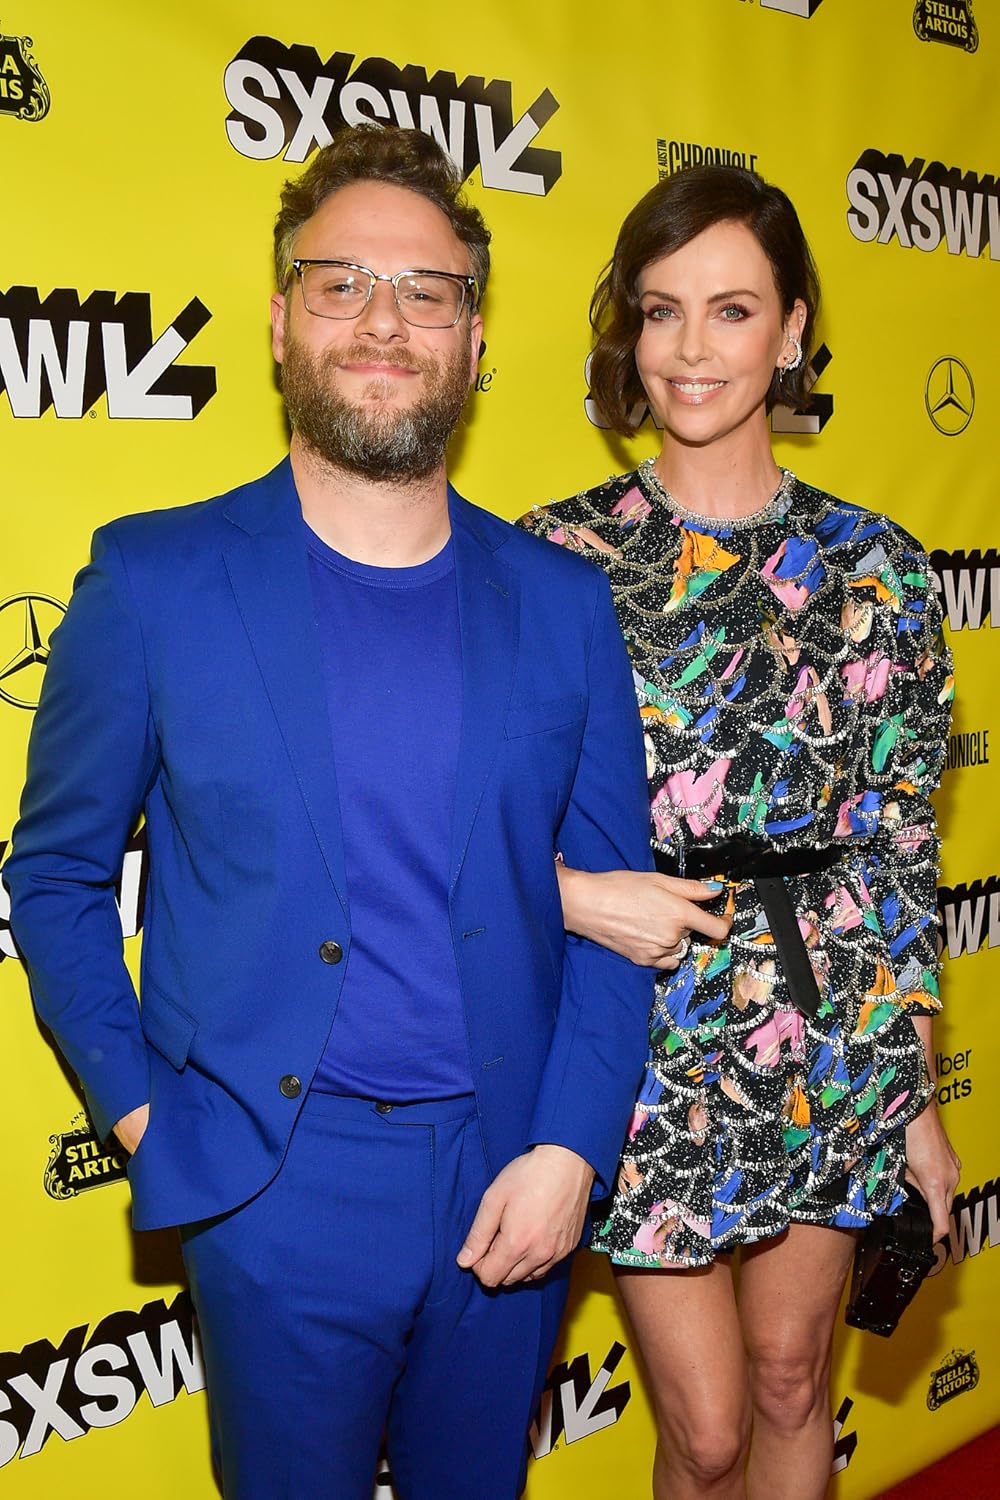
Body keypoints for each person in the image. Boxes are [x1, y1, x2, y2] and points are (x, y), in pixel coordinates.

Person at [4, 124, 655, 1500]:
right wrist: (148, 1121)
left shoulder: (563, 607)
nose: (383, 321)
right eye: (340, 281)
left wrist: (569, 1151)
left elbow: (620, 912)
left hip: (510, 1172)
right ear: (278, 322)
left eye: (426, 290)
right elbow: (55, 877)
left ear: (474, 340)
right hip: (272, 1184)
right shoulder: (154, 581)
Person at [520, 165, 960, 1500]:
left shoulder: (879, 567)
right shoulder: (551, 559)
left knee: (789, 1383)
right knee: (705, 1432)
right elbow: (474, 827)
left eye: (731, 309)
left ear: (791, 329)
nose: (692, 349)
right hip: (637, 1019)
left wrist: (916, 1098)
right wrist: (574, 894)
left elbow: (896, 848)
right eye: (661, 311)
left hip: (826, 1023)